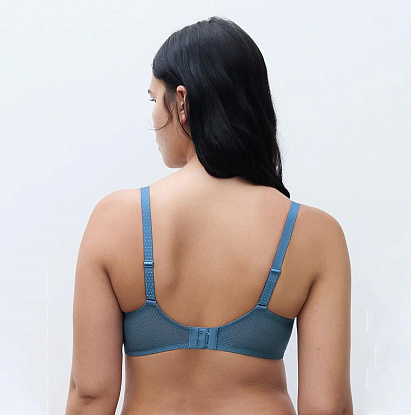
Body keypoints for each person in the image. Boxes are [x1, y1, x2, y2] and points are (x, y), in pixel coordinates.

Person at [65, 16, 353, 415]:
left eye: (154, 99)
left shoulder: (114, 220)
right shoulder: (315, 235)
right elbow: (327, 407)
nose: (153, 118)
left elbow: (90, 397)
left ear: (182, 102)